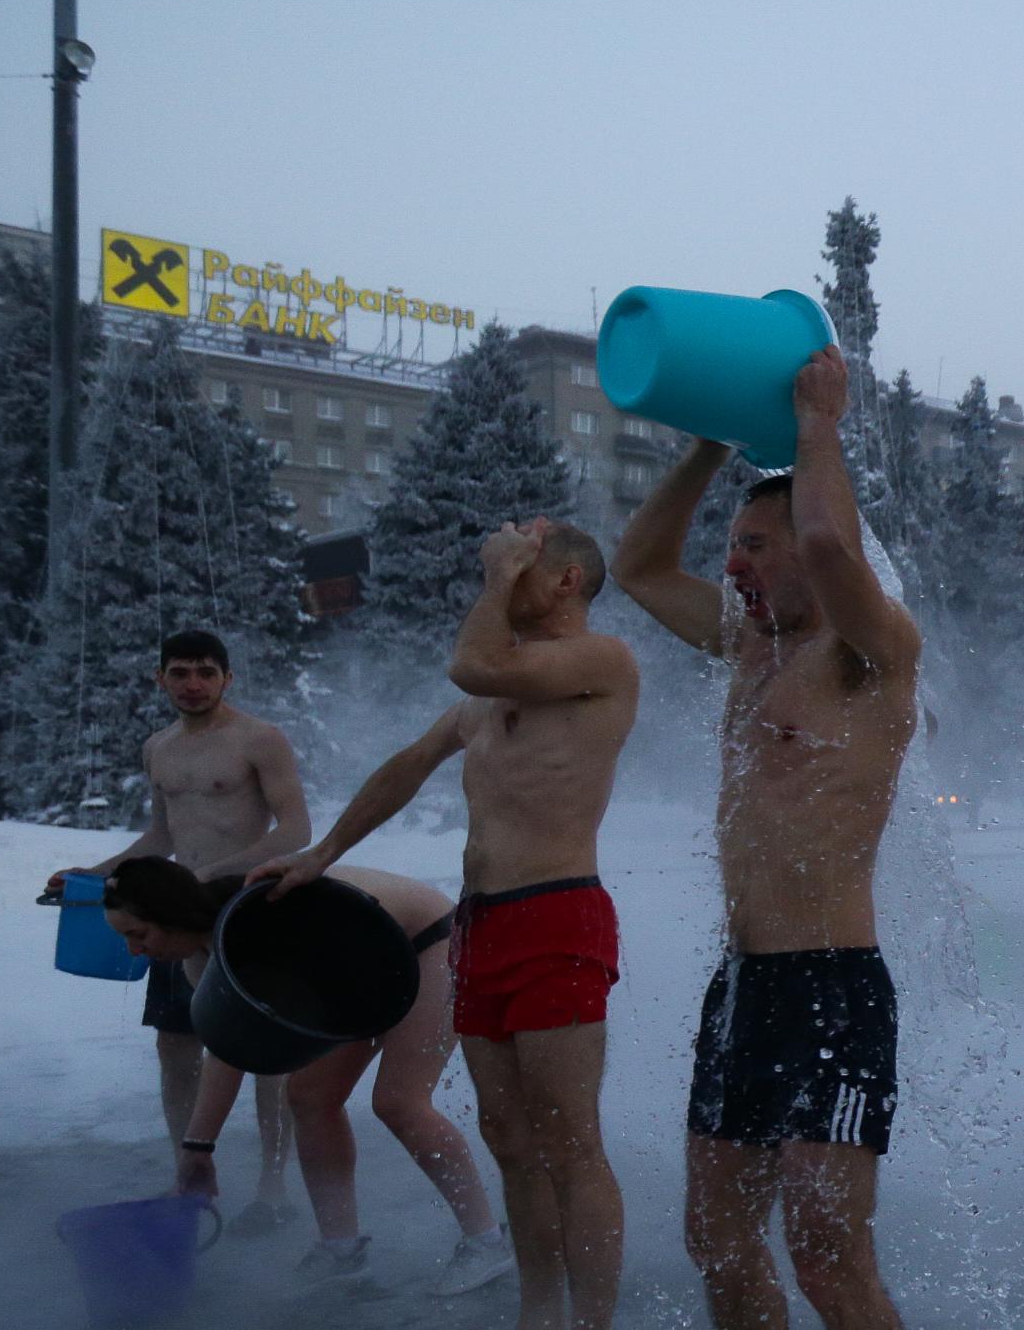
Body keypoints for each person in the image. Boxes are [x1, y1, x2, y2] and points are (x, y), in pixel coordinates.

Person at [255, 519, 640, 1330]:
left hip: (558, 912)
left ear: (566, 580)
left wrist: (501, 573)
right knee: (508, 1135)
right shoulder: (492, 693)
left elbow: (472, 658)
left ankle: (593, 1323)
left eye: (520, 565)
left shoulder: (600, 663)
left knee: (568, 1139)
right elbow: (407, 766)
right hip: (481, 926)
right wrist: (322, 852)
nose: (496, 573)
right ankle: (540, 1312)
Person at [610, 345, 925, 1330]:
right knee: (717, 1236)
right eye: (732, 543)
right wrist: (706, 438)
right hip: (743, 982)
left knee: (828, 1252)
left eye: (753, 543)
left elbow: (837, 555)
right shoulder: (746, 642)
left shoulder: (870, 650)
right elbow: (635, 565)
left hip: (833, 979)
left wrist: (819, 426)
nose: (732, 563)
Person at [99, 855, 511, 1294]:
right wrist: (197, 1149)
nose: (134, 950)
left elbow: (230, 1052)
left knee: (399, 1101)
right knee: (310, 1096)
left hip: (432, 939)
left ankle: (486, 1240)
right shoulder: (199, 960)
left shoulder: (259, 914)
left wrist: (199, 1145)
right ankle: (341, 1249)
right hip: (358, 968)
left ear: (171, 914)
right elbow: (230, 1046)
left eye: (137, 934)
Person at [42, 629, 310, 1234]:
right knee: (177, 1045)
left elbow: (295, 830)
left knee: (266, 1056)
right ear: (159, 678)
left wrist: (217, 872)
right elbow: (161, 838)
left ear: (227, 679)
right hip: (175, 916)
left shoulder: (258, 739)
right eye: (181, 672)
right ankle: (189, 1178)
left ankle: (273, 1187)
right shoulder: (158, 747)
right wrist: (93, 874)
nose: (193, 684)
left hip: (247, 908)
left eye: (206, 672)